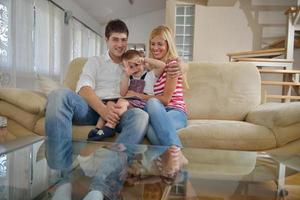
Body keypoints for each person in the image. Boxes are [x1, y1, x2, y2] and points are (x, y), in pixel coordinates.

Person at [45, 19, 149, 200]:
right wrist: (102, 110)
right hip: (93, 108)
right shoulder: (95, 61)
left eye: (123, 40)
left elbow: (141, 88)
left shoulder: (133, 64)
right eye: (115, 39)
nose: (120, 44)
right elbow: (84, 88)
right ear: (106, 40)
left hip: (120, 111)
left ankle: (100, 189)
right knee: (58, 95)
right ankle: (62, 183)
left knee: (141, 116)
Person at [125, 25, 189, 178]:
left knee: (153, 103)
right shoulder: (153, 70)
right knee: (148, 128)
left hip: (175, 112)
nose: (155, 48)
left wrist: (138, 96)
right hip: (159, 114)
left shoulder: (173, 65)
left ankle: (176, 150)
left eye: (160, 44)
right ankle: (166, 162)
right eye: (152, 44)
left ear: (168, 45)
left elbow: (166, 100)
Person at [87, 49, 166, 141]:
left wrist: (145, 59)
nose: (134, 68)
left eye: (136, 65)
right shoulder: (128, 77)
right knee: (109, 104)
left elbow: (163, 66)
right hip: (128, 103)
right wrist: (126, 76)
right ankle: (98, 129)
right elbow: (123, 93)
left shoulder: (150, 75)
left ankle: (110, 126)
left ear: (142, 63)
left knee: (121, 102)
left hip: (141, 103)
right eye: (130, 67)